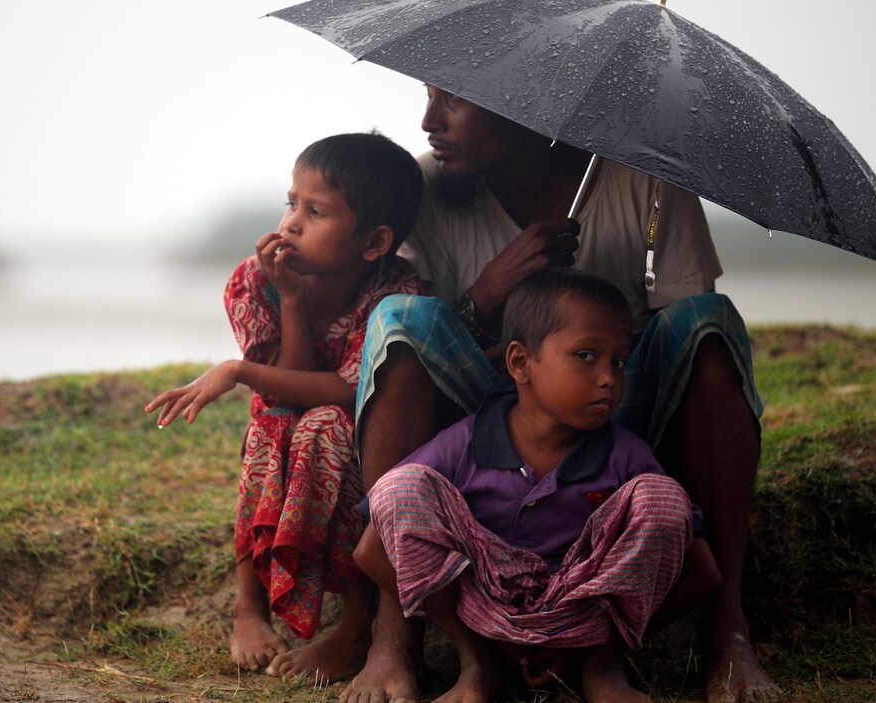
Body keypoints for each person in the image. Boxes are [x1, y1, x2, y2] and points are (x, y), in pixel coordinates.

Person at [342, 88, 776, 703]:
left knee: (711, 319)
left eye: (455, 101)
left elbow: (684, 342)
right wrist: (487, 298)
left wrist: (591, 347)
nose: (429, 121)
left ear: (526, 103)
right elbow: (430, 349)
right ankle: (396, 636)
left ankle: (726, 629)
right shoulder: (430, 184)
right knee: (400, 318)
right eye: (429, 97)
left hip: (615, 420)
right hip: (480, 419)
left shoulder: (645, 176)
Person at [354, 268, 721, 703]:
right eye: (586, 356)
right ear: (520, 363)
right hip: (480, 615)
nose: (608, 378)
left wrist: (598, 647)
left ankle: (601, 670)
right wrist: (474, 638)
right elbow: (371, 548)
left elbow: (703, 573)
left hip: (585, 622)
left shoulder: (625, 455)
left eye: (618, 362)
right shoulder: (466, 443)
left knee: (663, 499)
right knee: (403, 487)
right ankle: (478, 665)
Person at [144, 132, 424, 682]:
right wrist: (291, 299)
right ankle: (249, 608)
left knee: (324, 426)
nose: (291, 222)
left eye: (315, 211)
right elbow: (282, 390)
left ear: (374, 242)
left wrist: (237, 369)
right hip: (285, 423)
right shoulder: (256, 283)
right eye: (291, 202)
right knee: (271, 424)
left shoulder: (395, 292)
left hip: (360, 439)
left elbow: (349, 389)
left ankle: (354, 625)